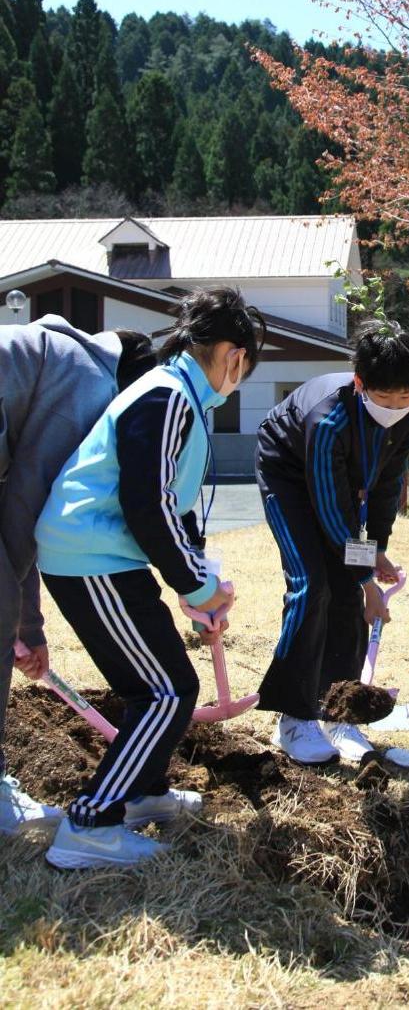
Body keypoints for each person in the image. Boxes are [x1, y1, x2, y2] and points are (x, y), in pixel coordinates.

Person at [34, 288, 265, 869]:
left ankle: (142, 793)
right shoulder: (166, 397)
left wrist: (198, 575)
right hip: (91, 556)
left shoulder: (183, 395)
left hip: (107, 557)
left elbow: (176, 504)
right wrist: (195, 586)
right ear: (233, 354)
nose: (240, 376)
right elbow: (147, 504)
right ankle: (90, 824)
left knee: (156, 686)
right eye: (246, 365)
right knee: (167, 691)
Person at [0, 316, 155, 837]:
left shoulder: (56, 355)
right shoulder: (87, 384)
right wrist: (21, 625)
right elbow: (24, 507)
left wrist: (26, 626)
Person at [256, 321, 409, 766]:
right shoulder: (328, 417)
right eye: (384, 397)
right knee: (313, 586)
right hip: (289, 473)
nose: (395, 406)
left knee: (347, 592)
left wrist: (379, 547)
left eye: (405, 397)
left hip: (341, 479)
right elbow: (332, 514)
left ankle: (339, 712)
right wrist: (367, 578)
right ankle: (294, 715)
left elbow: (388, 486)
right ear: (360, 383)